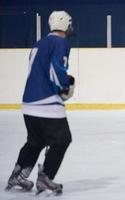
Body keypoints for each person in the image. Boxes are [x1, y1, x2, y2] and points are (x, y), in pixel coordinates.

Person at [5, 11, 75, 195]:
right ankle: (46, 177)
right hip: (47, 103)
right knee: (62, 139)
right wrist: (65, 85)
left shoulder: (39, 43)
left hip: (28, 102)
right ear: (67, 25)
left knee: (36, 141)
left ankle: (18, 174)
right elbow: (56, 69)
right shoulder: (61, 42)